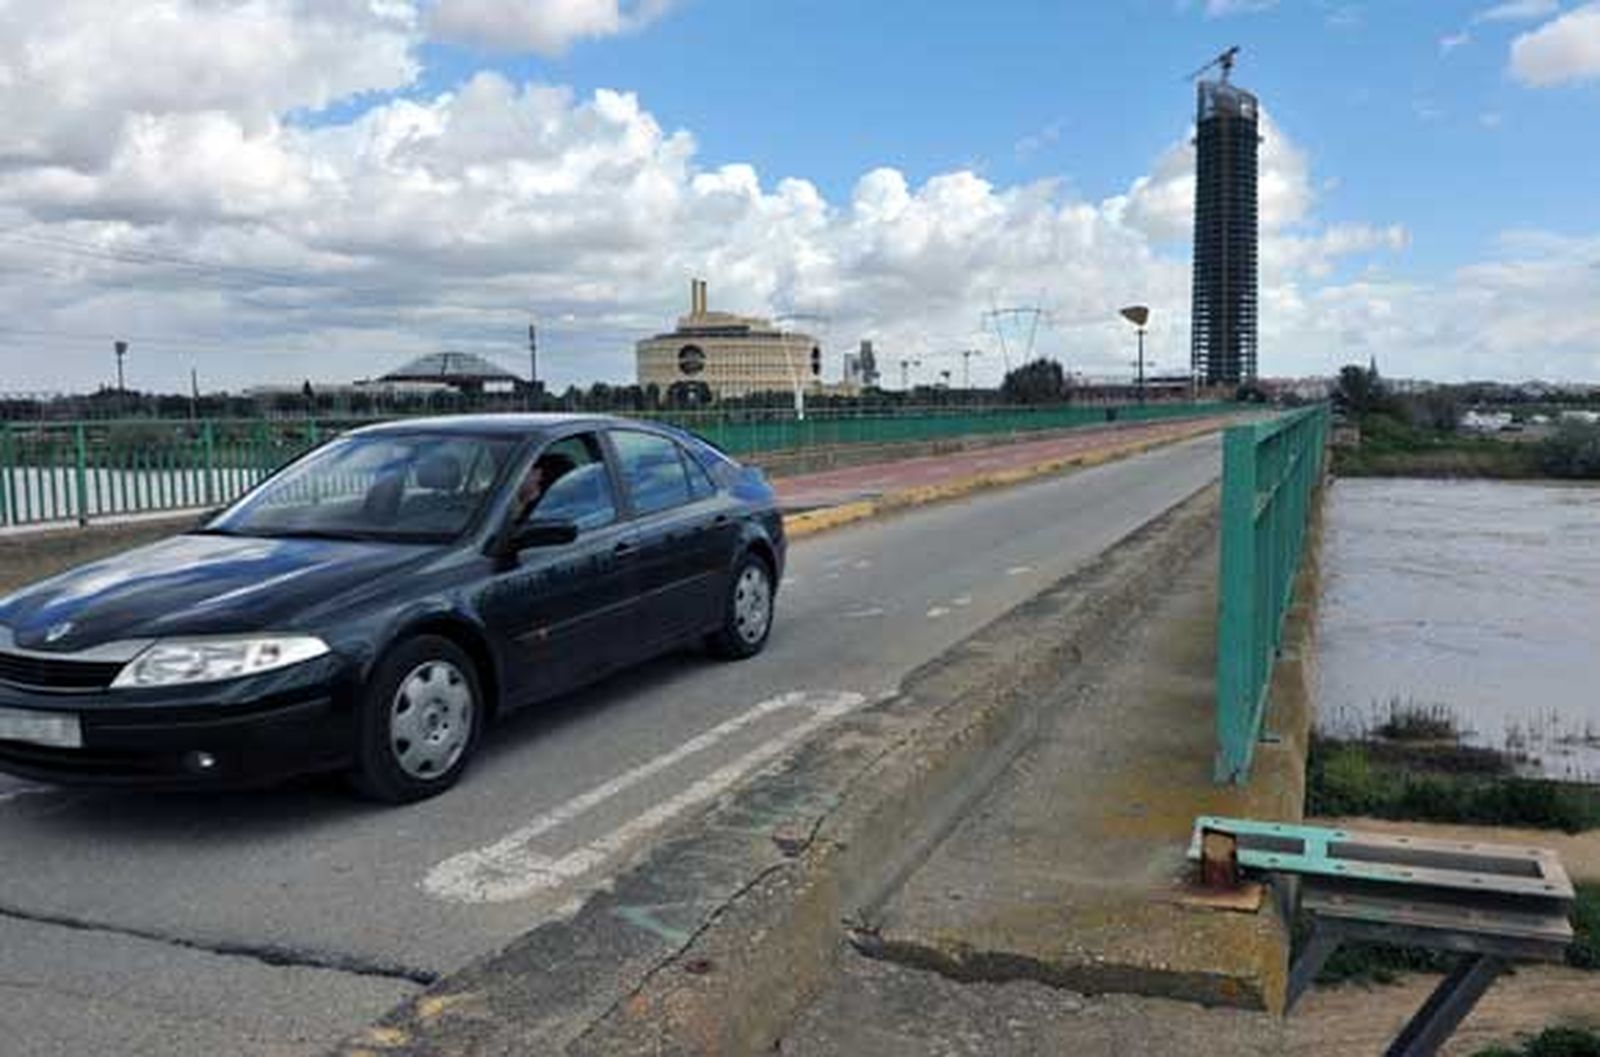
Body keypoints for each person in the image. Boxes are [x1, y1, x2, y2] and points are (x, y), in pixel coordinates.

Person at [516, 451, 576, 517]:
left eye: (528, 470)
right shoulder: (562, 510)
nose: (519, 477)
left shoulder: (537, 514)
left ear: (538, 473)